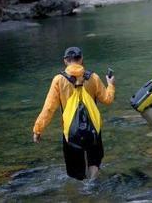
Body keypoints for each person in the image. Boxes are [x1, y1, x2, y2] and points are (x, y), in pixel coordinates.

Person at [32, 47, 115, 181]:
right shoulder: (93, 77)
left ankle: (81, 191)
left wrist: (38, 129)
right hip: (93, 128)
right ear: (81, 59)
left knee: (75, 168)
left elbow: (48, 108)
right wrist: (111, 85)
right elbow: (107, 100)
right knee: (94, 160)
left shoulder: (59, 80)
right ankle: (92, 183)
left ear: (65, 61)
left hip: (70, 131)